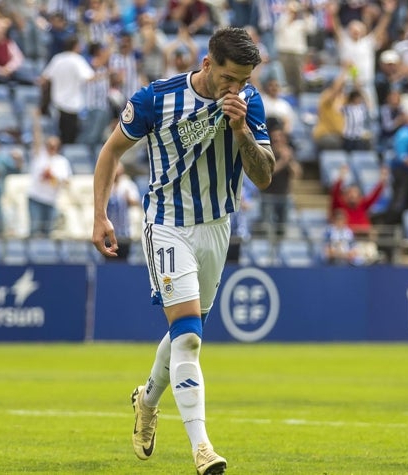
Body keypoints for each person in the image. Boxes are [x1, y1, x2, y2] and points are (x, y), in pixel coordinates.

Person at [92, 27, 274, 475]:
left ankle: (147, 400)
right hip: (167, 225)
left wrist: (239, 128)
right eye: (230, 79)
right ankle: (203, 448)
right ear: (207, 65)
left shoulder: (248, 105)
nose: (237, 89)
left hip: (217, 228)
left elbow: (265, 176)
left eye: (245, 80)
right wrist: (99, 215)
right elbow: (112, 151)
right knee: (189, 337)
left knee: (184, 332)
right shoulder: (155, 99)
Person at [27, 109, 72, 237]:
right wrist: (36, 121)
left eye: (54, 146)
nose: (51, 148)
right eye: (49, 145)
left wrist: (54, 177)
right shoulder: (40, 155)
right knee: (35, 229)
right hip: (36, 197)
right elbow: (37, 137)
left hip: (51, 200)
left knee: (48, 232)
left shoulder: (62, 162)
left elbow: (67, 182)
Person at [105, 162, 140, 261]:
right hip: (108, 232)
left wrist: (128, 198)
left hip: (124, 231)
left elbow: (136, 202)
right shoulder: (106, 185)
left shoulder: (127, 185)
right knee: (108, 261)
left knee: (123, 259)